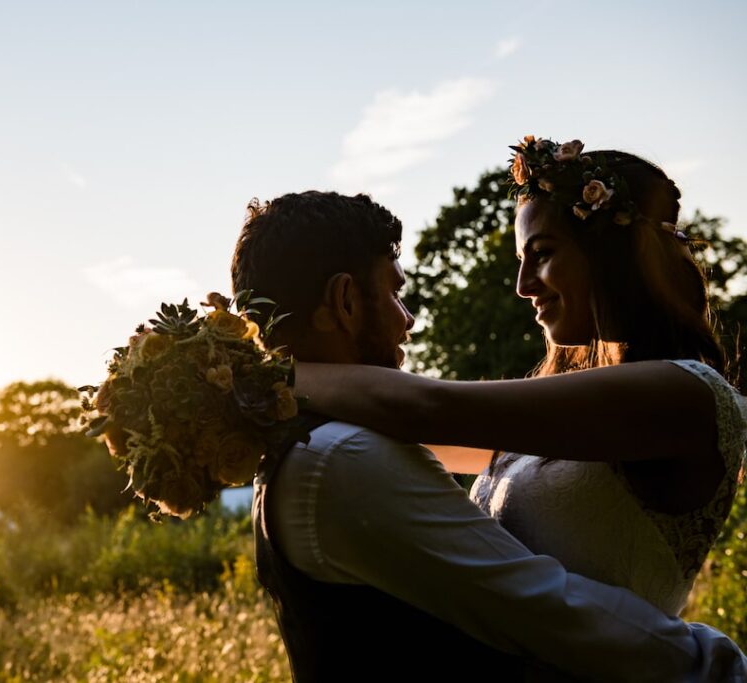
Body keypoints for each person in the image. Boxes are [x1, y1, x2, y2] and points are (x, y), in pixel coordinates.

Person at [232, 190, 747, 681]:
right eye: (396, 292)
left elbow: (426, 409)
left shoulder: (680, 392)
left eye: (542, 253)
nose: (522, 285)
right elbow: (421, 414)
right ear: (344, 300)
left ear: (610, 253)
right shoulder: (341, 453)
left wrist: (269, 376)